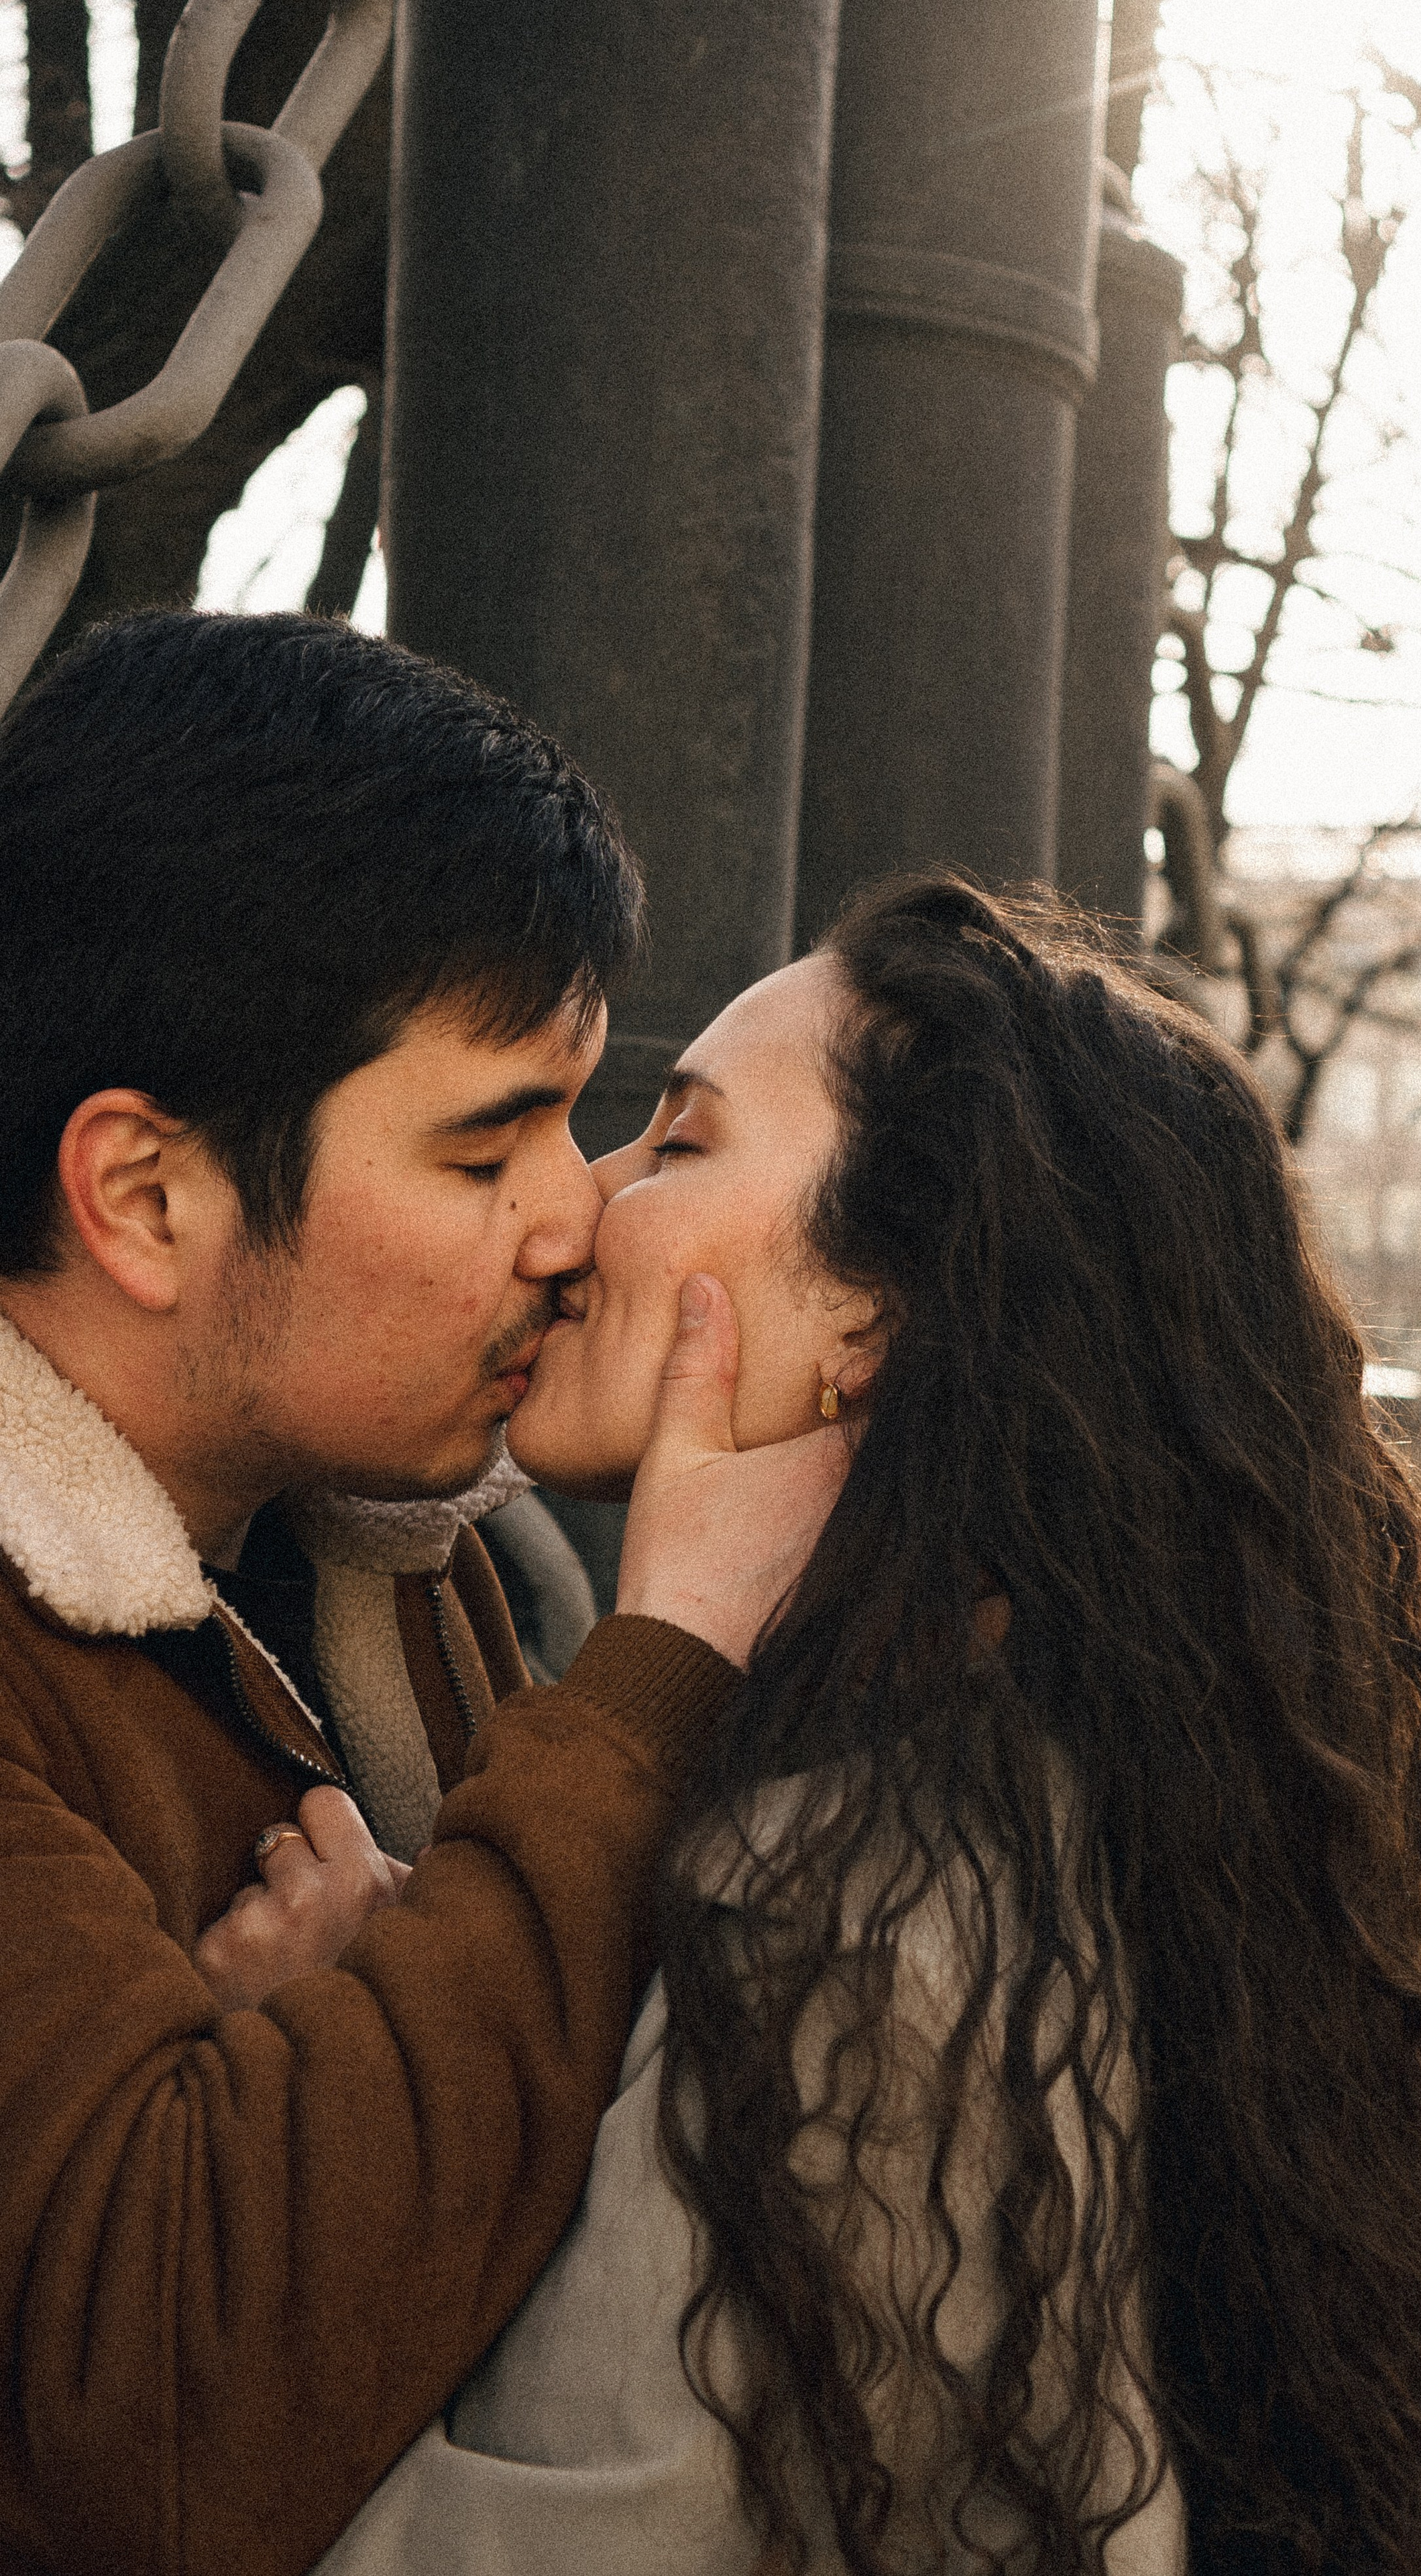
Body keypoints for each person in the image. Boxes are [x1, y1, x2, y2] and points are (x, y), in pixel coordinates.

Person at [236, 877, 1421, 2575]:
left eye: (672, 1144)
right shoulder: (1039, 1785)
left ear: (874, 1313)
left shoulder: (856, 1910)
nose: (578, 1208)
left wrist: (327, 2118)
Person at [0, 610, 843, 2576]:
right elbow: (174, 2425)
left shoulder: (385, 1551)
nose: (583, 1217)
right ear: (146, 1196)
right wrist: (667, 1670)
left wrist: (324, 2063)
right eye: (487, 1151)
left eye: (579, 1112)